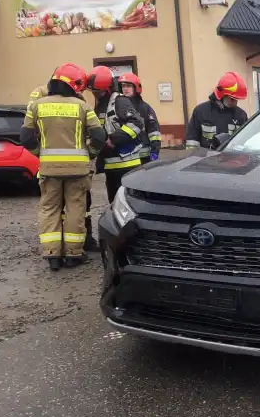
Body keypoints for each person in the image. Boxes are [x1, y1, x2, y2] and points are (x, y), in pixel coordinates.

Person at [21, 63, 105, 271]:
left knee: (50, 208)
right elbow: (99, 136)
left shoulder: (36, 106)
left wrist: (40, 154)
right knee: (76, 208)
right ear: (73, 85)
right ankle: (73, 254)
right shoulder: (82, 106)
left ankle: (52, 255)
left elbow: (25, 137)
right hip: (78, 170)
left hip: (49, 170)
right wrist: (89, 154)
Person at [89, 70, 144, 202]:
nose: (95, 94)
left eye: (98, 91)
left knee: (127, 203)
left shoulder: (119, 101)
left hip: (126, 164)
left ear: (107, 88)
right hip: (111, 165)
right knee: (114, 203)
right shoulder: (101, 104)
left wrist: (113, 139)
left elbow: (136, 123)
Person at [186, 72, 249, 149]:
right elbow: (192, 142)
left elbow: (245, 143)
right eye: (232, 99)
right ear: (221, 95)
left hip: (232, 159)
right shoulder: (201, 112)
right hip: (206, 159)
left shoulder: (241, 115)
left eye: (237, 99)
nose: (235, 103)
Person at [118, 72, 161, 163]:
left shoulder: (145, 108)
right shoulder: (116, 107)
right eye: (123, 86)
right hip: (124, 156)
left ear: (136, 87)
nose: (125, 89)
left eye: (129, 86)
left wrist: (155, 151)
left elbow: (154, 131)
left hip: (143, 157)